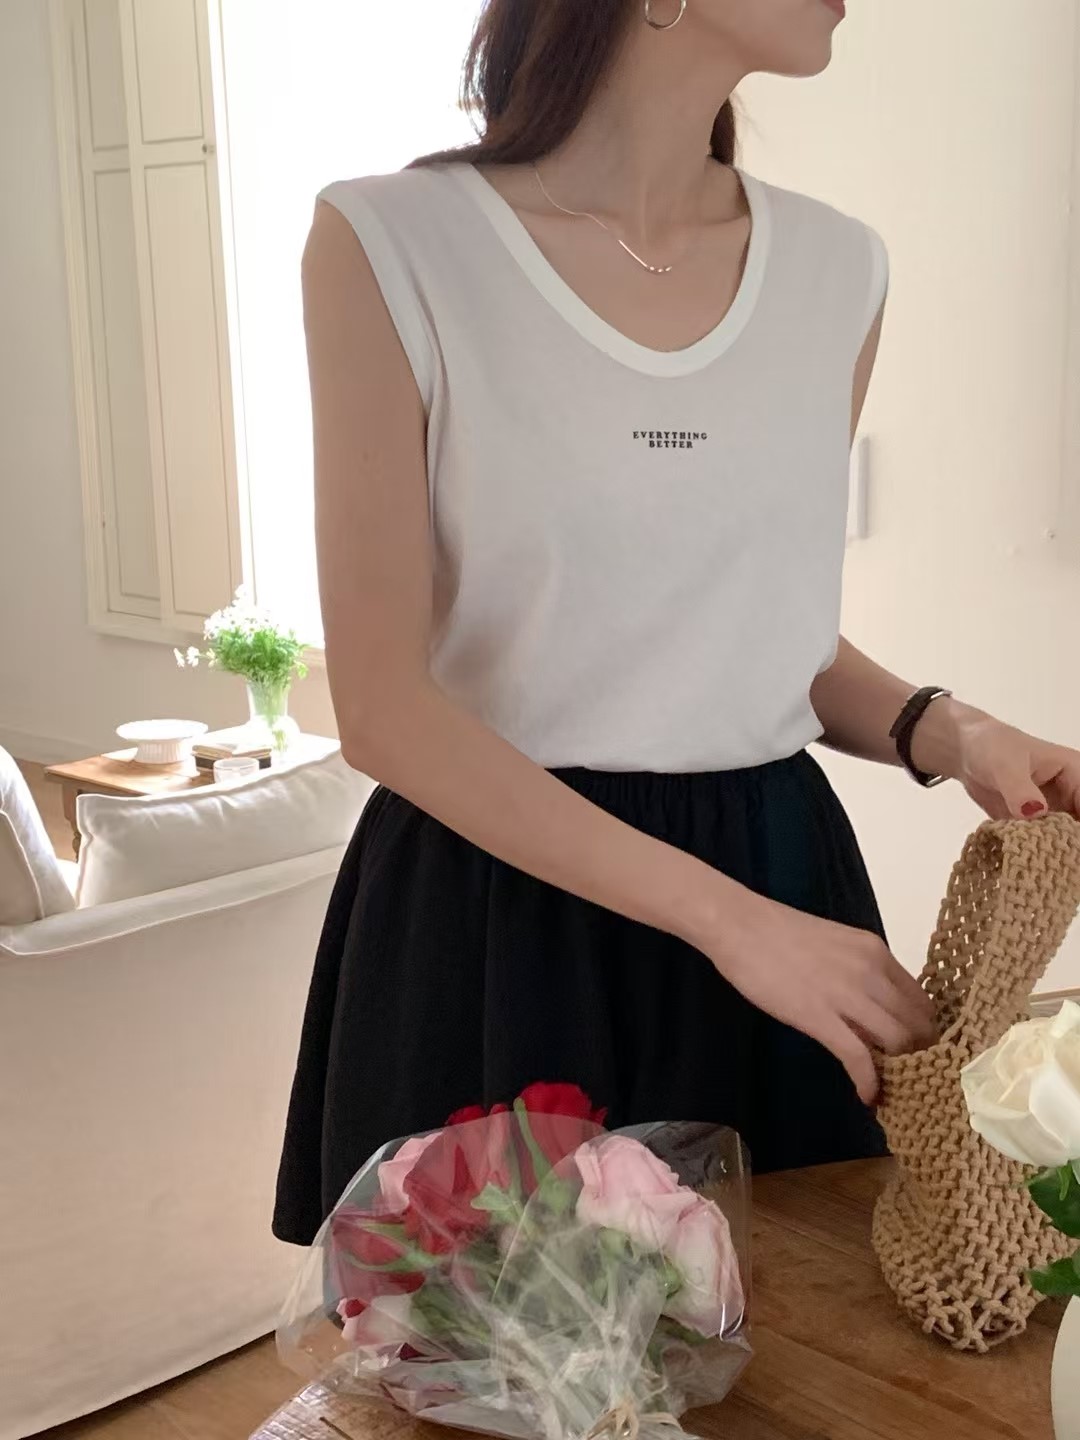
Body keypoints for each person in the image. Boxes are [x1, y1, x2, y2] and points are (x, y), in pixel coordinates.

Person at [272, 0, 1080, 1247]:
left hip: (779, 876)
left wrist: (951, 731)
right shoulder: (392, 243)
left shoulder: (839, 269)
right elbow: (381, 708)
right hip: (503, 913)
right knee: (498, 1346)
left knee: (809, 1330)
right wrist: (730, 924)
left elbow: (765, 637)